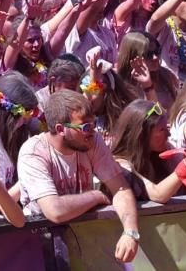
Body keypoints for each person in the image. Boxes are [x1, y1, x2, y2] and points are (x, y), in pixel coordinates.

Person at [17, 90, 141, 263]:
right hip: (41, 247)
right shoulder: (33, 152)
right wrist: (96, 196)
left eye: (94, 123)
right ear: (60, 129)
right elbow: (55, 211)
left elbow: (120, 188)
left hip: (83, 240)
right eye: (85, 127)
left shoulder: (91, 141)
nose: (93, 131)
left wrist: (130, 232)